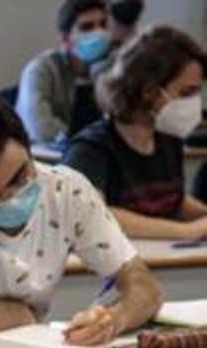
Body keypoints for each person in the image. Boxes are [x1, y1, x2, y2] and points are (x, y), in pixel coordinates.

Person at [0, 90, 162, 345]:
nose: (9, 199)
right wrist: (23, 314)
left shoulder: (66, 188)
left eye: (19, 178)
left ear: (29, 148)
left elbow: (145, 288)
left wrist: (112, 319)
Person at [64, 26, 206, 240]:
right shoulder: (90, 149)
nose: (194, 103)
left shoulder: (168, 139)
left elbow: (172, 203)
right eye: (186, 92)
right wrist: (188, 231)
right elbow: (91, 214)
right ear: (149, 90)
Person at [15, 0, 110, 150]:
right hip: (54, 158)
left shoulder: (109, 68)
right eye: (87, 27)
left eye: (103, 24)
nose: (99, 33)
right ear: (66, 39)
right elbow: (41, 129)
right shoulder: (41, 70)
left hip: (98, 154)